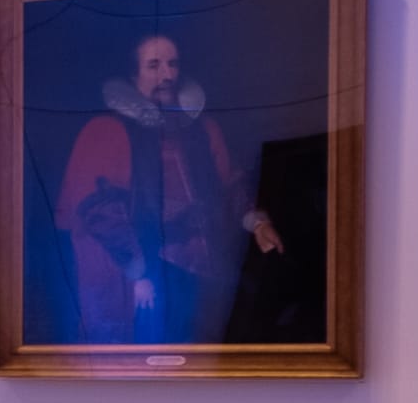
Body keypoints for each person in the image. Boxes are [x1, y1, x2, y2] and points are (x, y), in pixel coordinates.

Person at [51, 24, 273, 341]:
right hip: (148, 274)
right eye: (154, 66)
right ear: (133, 75)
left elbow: (229, 185)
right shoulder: (106, 131)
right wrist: (137, 273)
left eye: (173, 64)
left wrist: (257, 223)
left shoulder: (202, 129)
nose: (167, 75)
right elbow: (99, 209)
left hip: (202, 272)